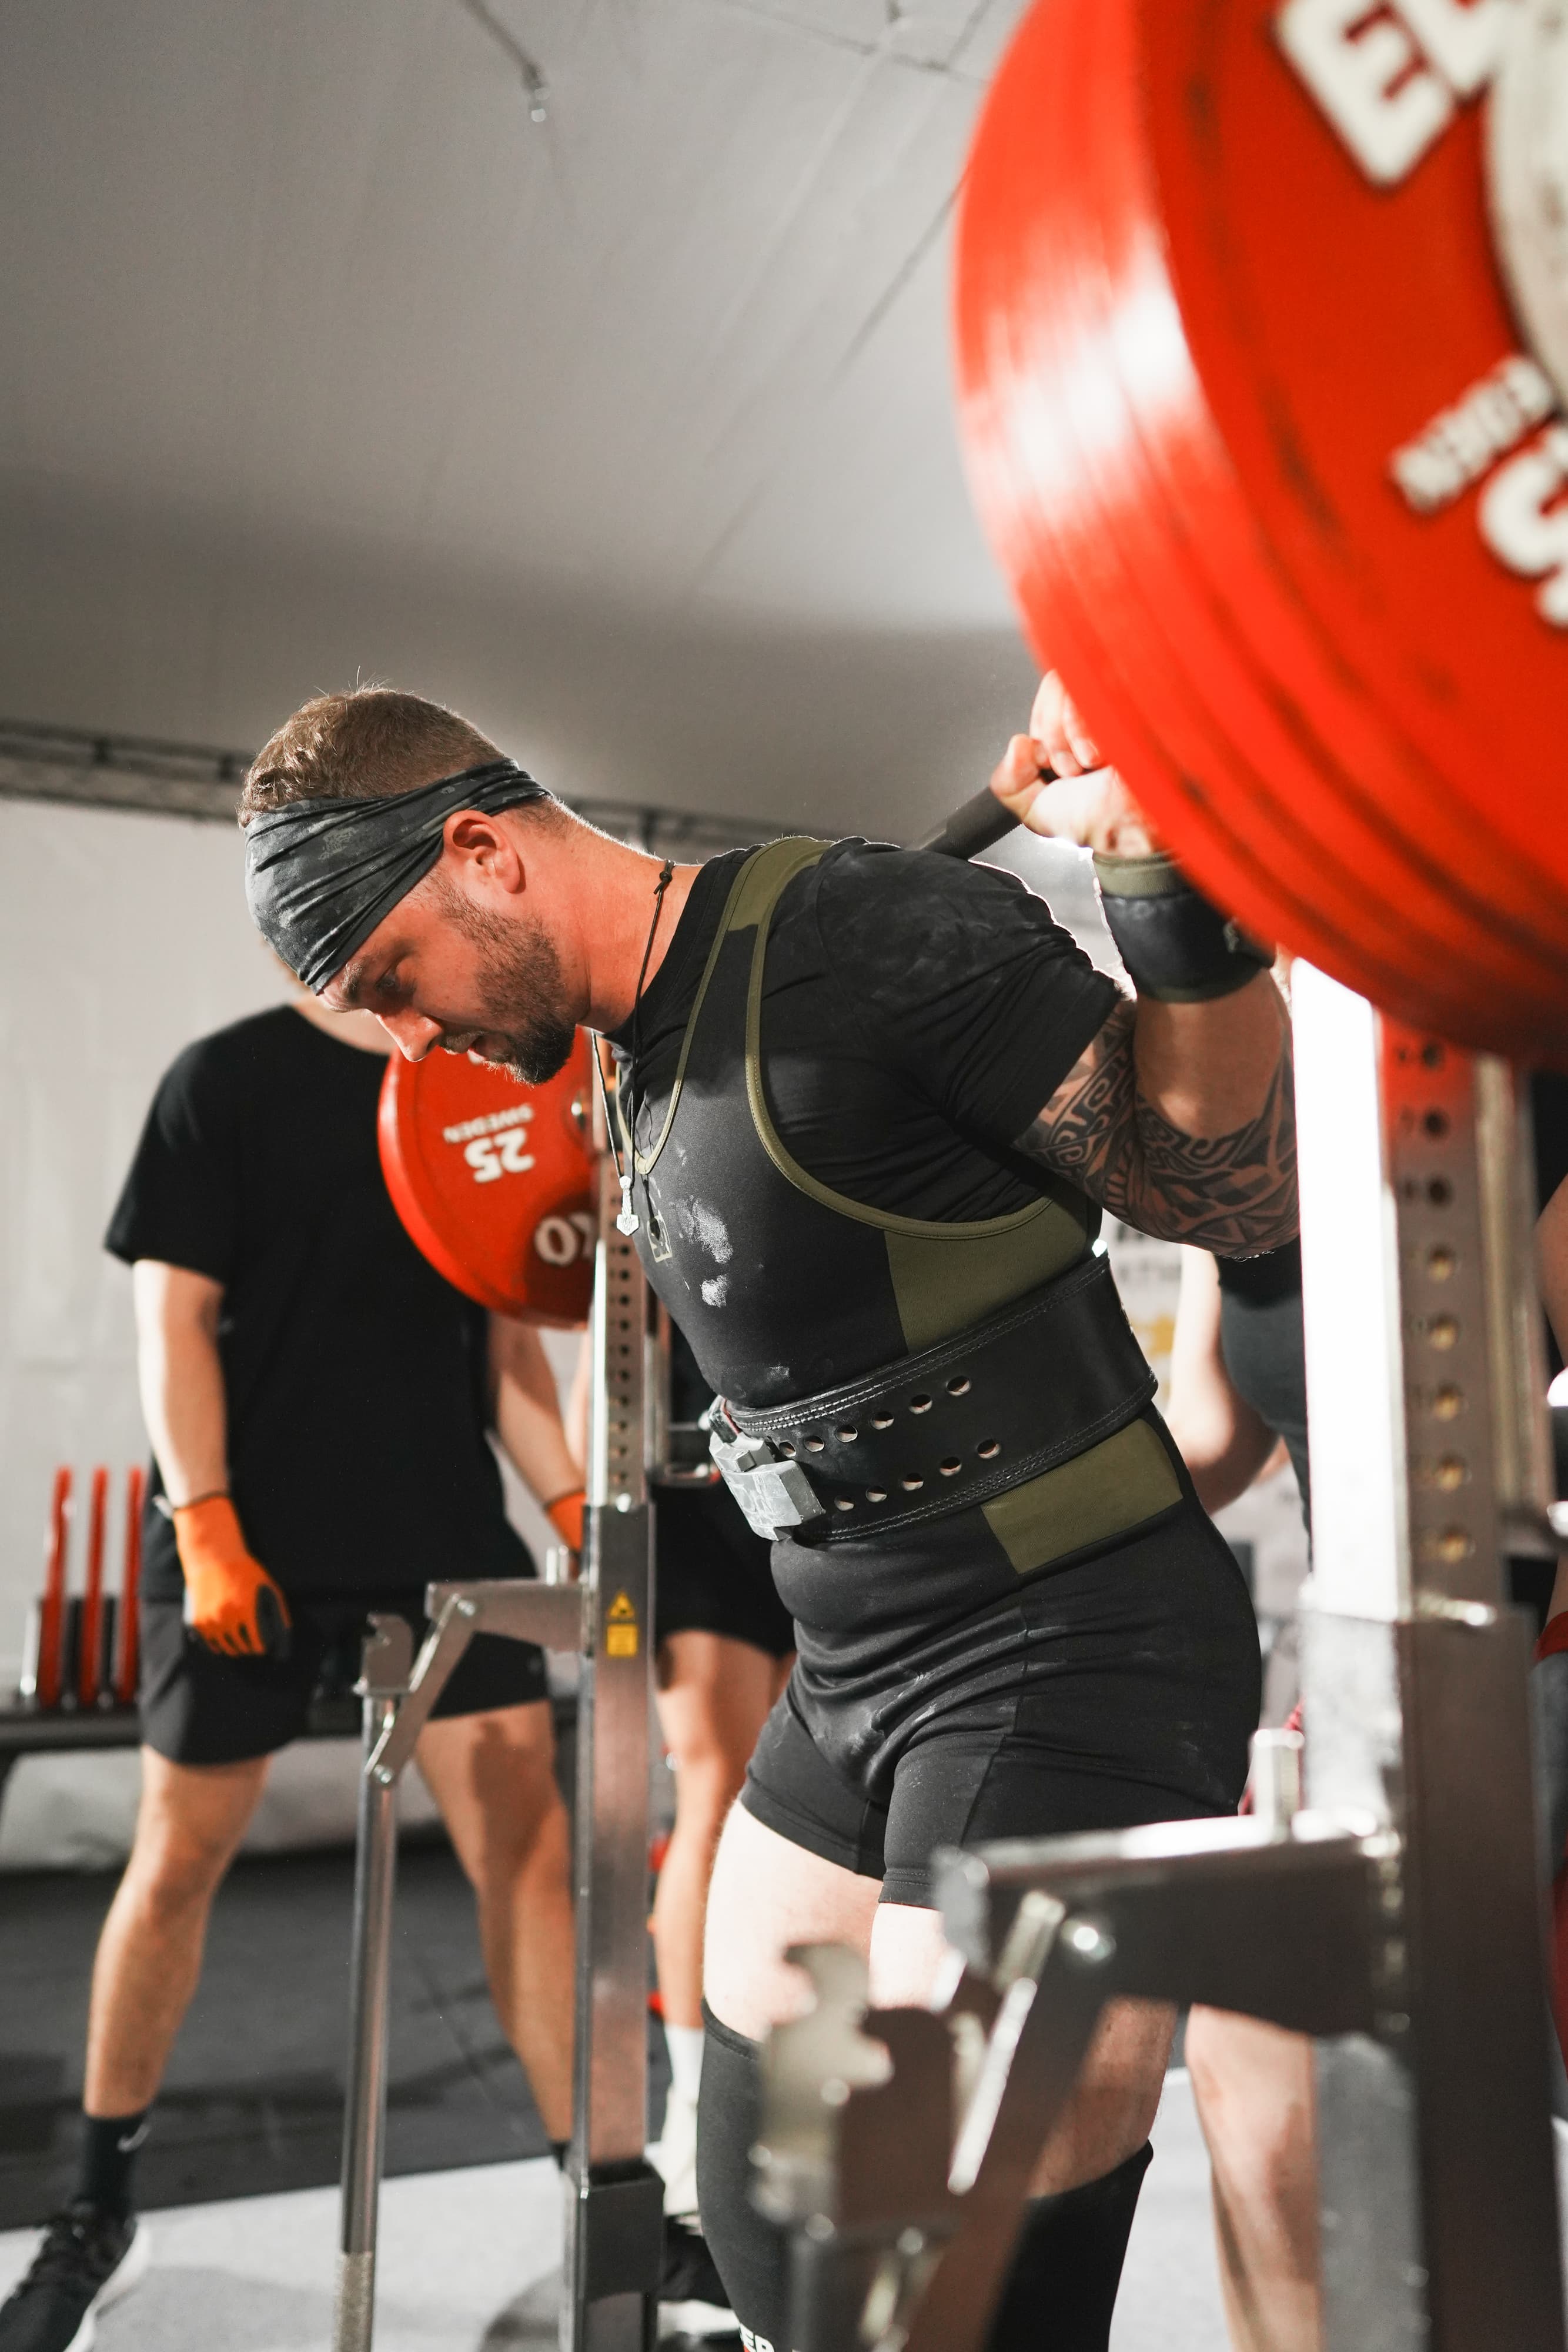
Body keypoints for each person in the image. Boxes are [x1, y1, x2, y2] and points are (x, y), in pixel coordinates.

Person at [235, 670, 1296, 2352]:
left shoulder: (862, 933)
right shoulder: (643, 1053)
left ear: (480, 851)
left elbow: (1226, 1176)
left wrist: (1159, 877)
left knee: (941, 2280)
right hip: (854, 1678)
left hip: (1067, 1661)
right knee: (777, 2219)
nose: (416, 1041)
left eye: (397, 983)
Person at [0, 987, 579, 2352]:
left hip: (438, 1535)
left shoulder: (479, 1089)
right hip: (246, 1534)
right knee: (177, 1857)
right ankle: (96, 2205)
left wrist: (572, 1511)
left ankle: (598, 2186)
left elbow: (505, 1344)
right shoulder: (227, 1080)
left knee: (530, 1850)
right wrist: (201, 1520)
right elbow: (174, 1319)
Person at [566, 1319, 794, 2229]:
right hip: (686, 1484)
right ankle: (699, 2111)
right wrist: (600, 1518)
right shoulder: (643, 1180)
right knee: (719, 1790)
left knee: (795, 1809)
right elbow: (606, 1338)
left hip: (802, 1461)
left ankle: (771, 2088)